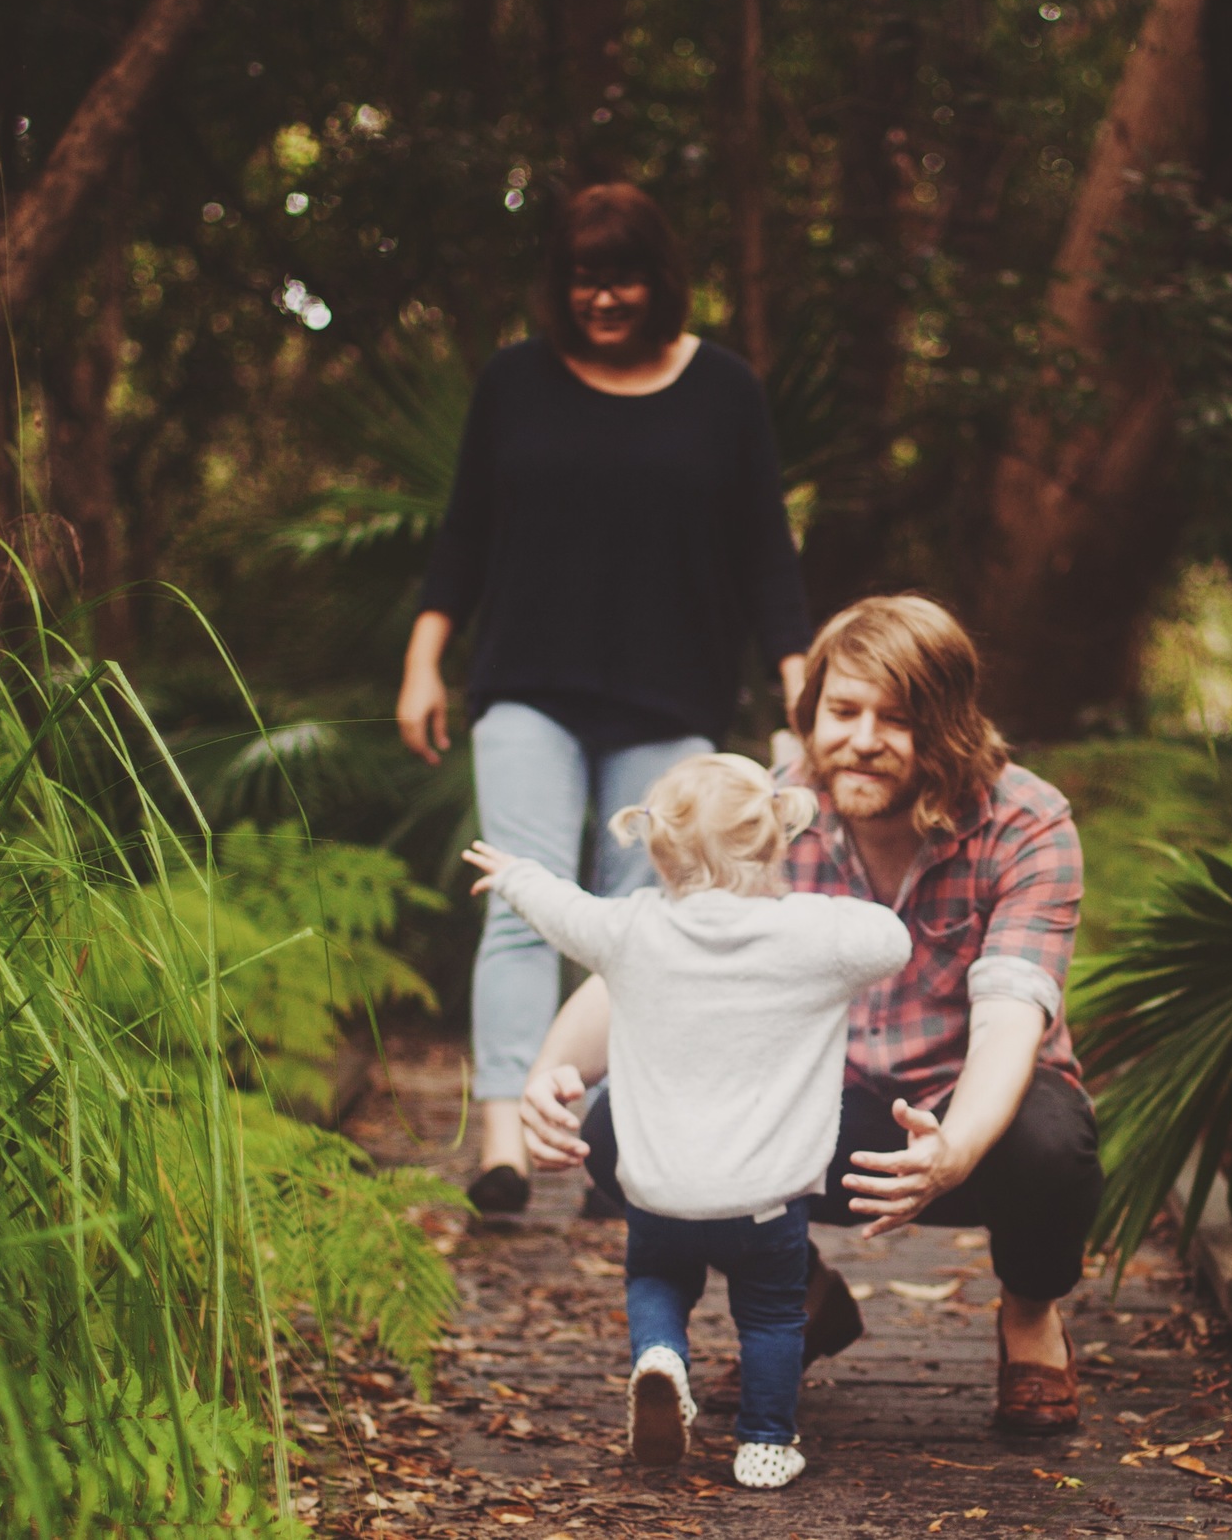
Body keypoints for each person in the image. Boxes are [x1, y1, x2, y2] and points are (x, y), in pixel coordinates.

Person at [516, 596, 1102, 1434]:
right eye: (843, 710)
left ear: (950, 726)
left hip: (971, 1105)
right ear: (811, 710)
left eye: (896, 719)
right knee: (617, 1129)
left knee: (1055, 1141)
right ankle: (799, 1295)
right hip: (809, 1104)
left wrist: (956, 1146)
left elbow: (1014, 1013)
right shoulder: (768, 806)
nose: (861, 738)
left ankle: (1030, 1317)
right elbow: (654, 951)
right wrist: (551, 1076)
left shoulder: (1027, 822)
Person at [399, 183, 814, 1215]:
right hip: (527, 684)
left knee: (646, 920)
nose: (602, 297)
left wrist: (803, 683)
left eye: (622, 276)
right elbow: (463, 532)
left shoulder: (723, 390)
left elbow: (765, 552)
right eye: (584, 278)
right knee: (523, 903)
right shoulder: (515, 382)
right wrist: (423, 657)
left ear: (659, 280)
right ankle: (502, 1133)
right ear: (560, 282)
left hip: (669, 691)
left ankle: (610, 1137)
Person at [462, 752, 910, 1488]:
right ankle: (765, 1442)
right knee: (770, 1315)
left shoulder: (630, 929)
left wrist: (515, 875)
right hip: (766, 1200)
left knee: (656, 1280)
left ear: (659, 852)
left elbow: (565, 909)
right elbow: (892, 939)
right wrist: (810, 902)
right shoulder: (813, 935)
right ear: (774, 843)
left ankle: (661, 1354)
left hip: (658, 1191)